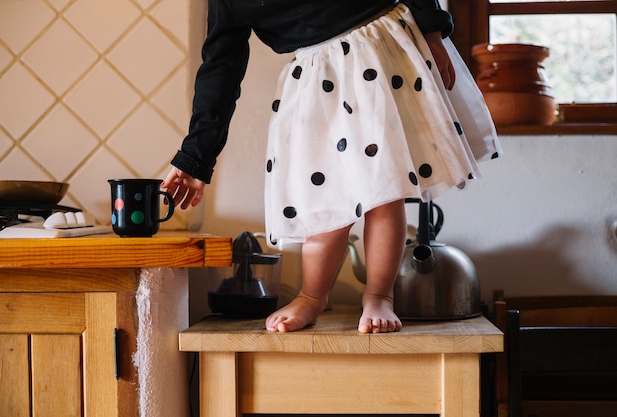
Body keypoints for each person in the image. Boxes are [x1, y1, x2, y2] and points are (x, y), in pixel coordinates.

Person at [162, 0, 501, 333]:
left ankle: (379, 296)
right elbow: (220, 67)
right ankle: (312, 295)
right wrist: (196, 158)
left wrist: (432, 31)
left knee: (385, 190)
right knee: (320, 200)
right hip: (314, 77)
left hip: (378, 51)